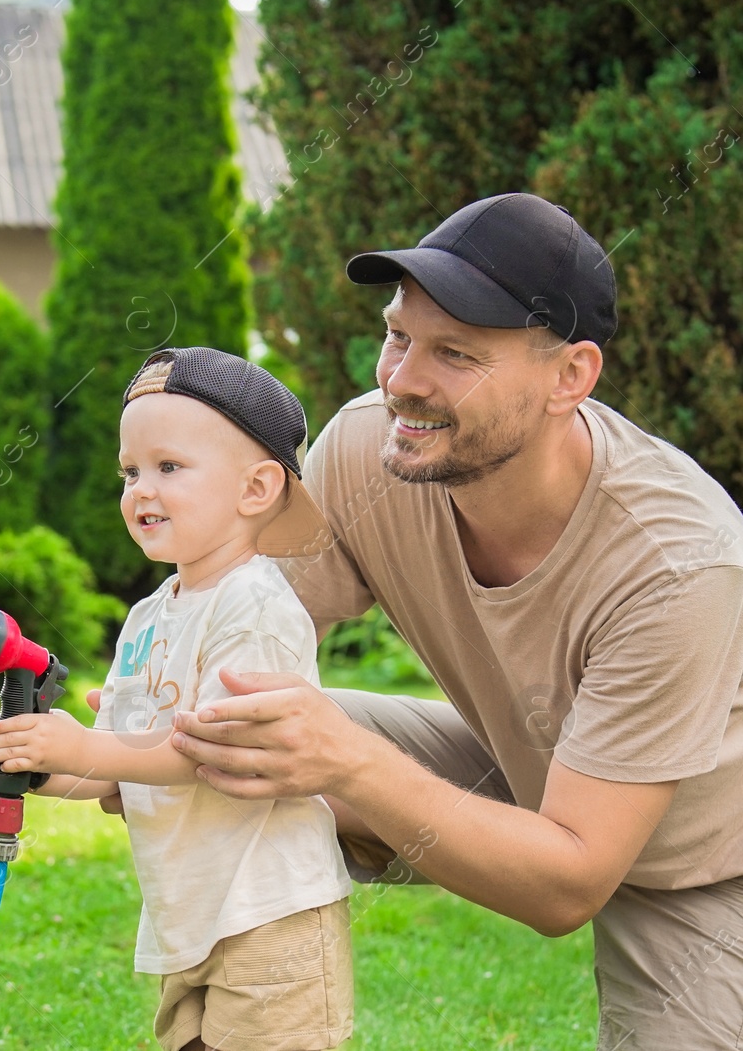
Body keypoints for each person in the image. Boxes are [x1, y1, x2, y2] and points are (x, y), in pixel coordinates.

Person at [166, 192, 743, 1050]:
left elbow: (567, 884)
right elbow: (238, 633)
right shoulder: (371, 448)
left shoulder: (677, 564)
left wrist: (349, 761)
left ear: (570, 377)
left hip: (706, 855)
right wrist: (122, 740)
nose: (401, 381)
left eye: (457, 354)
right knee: (221, 731)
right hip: (530, 766)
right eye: (398, 336)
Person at [0, 346, 353, 1051]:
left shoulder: (256, 605)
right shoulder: (151, 616)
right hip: (188, 913)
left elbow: (214, 746)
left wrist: (83, 743)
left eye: (168, 467)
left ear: (255, 488)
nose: (139, 490)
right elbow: (119, 759)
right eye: (129, 472)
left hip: (270, 911)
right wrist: (38, 763)